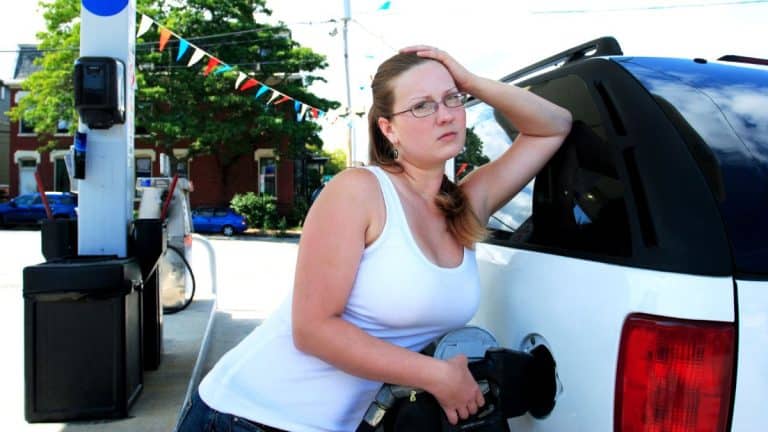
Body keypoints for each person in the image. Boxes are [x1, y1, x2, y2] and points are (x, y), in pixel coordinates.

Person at [177, 46, 572, 432]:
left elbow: (553, 126)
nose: (445, 115)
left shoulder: (464, 205)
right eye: (422, 106)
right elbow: (312, 328)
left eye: (452, 100)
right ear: (388, 128)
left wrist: (469, 80)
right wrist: (436, 375)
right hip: (247, 416)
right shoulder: (360, 190)